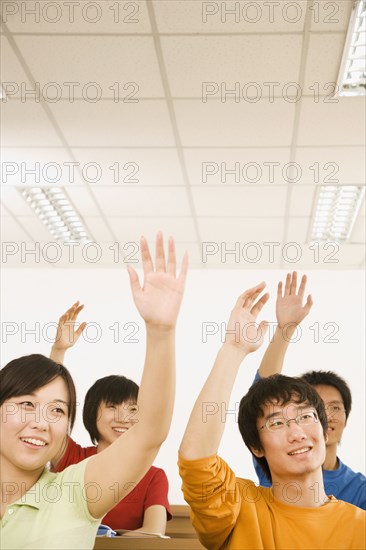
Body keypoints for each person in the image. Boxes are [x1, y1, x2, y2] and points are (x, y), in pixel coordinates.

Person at [1, 234, 188, 549]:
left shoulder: (76, 490)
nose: (41, 422)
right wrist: (58, 353)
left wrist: (160, 331)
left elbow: (150, 433)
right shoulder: (74, 457)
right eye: (26, 405)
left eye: (58, 411)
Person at [178, 283, 365, 550]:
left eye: (306, 417)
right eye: (277, 422)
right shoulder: (240, 507)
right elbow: (196, 459)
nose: (297, 432)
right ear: (256, 447)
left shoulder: (359, 526)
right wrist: (233, 350)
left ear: (325, 430)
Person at [49, 306, 171, 534]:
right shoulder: (72, 457)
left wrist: (106, 538)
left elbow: (154, 533)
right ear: (92, 413)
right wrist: (58, 351)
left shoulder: (154, 476)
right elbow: (51, 410)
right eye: (112, 407)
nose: (123, 418)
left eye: (133, 409)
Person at [254, 272, 366, 509]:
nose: (327, 416)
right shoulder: (276, 464)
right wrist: (285, 329)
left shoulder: (360, 490)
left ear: (346, 416)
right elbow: (261, 398)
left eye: (335, 408)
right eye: (313, 411)